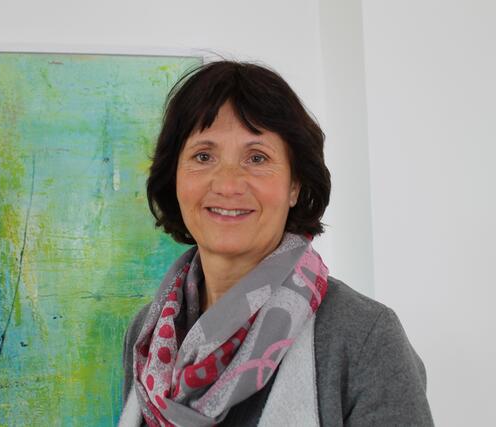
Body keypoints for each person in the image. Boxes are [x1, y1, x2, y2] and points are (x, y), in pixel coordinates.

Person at [119, 61, 433, 426]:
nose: (228, 184)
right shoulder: (147, 335)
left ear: (295, 185)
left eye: (257, 158)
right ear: (174, 177)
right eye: (203, 156)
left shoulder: (364, 335)